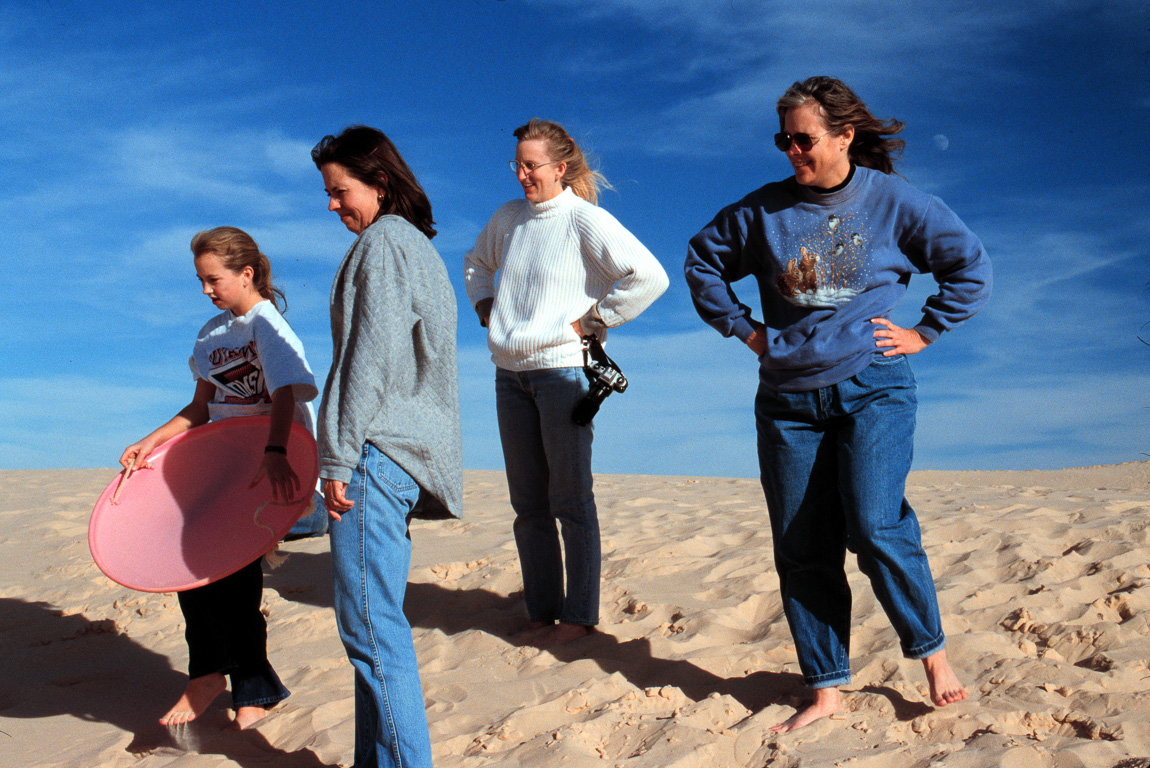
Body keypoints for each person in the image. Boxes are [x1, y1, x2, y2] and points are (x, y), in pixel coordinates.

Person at [685, 76, 991, 732]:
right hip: (787, 400)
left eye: (805, 139)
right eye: (783, 140)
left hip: (872, 386)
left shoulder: (893, 202)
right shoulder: (761, 212)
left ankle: (931, 654)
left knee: (876, 525)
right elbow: (702, 263)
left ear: (844, 135)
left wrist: (925, 331)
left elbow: (969, 265)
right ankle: (825, 686)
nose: (793, 152)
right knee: (802, 547)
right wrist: (745, 329)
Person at [463, 118, 669, 647]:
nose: (523, 175)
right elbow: (476, 265)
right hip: (509, 375)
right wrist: (487, 307)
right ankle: (540, 611)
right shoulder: (507, 218)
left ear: (560, 168)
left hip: (563, 373)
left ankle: (579, 617)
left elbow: (648, 276)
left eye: (531, 166)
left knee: (570, 499)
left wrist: (592, 321)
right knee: (527, 504)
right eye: (517, 165)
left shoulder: (584, 219)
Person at [120, 226, 318, 730]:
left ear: (245, 273)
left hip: (269, 468)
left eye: (214, 279)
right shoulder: (211, 334)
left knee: (234, 577)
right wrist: (152, 440)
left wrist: (275, 451)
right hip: (224, 467)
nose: (206, 290)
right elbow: (200, 408)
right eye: (200, 281)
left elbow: (285, 397)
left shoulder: (267, 325)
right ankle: (211, 674)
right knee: (189, 565)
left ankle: (247, 686)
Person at [312, 125, 462, 768]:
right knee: (374, 631)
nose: (331, 204)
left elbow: (366, 360)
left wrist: (338, 456)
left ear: (379, 183)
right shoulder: (416, 248)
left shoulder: (384, 244)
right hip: (396, 457)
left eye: (340, 190)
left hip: (374, 456)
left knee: (372, 633)